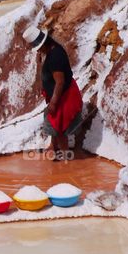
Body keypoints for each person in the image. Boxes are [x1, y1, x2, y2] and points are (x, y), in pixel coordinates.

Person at [27, 28, 83, 161]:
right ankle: (53, 146)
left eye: (39, 48)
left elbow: (59, 82)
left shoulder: (55, 57)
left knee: (59, 128)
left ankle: (65, 157)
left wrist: (53, 103)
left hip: (64, 96)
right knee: (54, 123)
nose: (39, 50)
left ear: (44, 44)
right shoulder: (54, 49)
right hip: (60, 94)